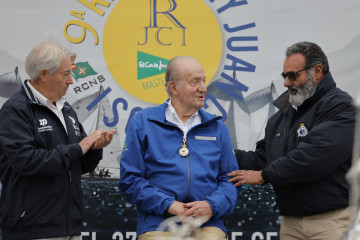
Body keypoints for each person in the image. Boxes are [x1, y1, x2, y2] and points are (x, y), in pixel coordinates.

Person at [228, 41, 356, 240]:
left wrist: (265, 175)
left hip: (331, 222)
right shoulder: (280, 118)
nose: (286, 83)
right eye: (284, 76)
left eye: (292, 75)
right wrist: (222, 151)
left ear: (317, 71)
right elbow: (263, 158)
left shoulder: (341, 106)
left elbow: (314, 156)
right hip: (290, 224)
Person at [0, 39, 116, 240]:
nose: (71, 80)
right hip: (32, 229)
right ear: (44, 74)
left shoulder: (67, 110)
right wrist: (80, 147)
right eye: (66, 74)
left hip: (70, 226)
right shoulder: (15, 110)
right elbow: (26, 162)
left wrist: (95, 149)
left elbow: (77, 164)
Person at [119, 56, 238, 240]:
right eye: (195, 82)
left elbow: (230, 180)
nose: (203, 88)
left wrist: (210, 206)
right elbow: (131, 179)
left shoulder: (218, 127)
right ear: (173, 88)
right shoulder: (142, 123)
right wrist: (170, 205)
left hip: (207, 224)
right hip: (158, 224)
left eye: (204, 81)